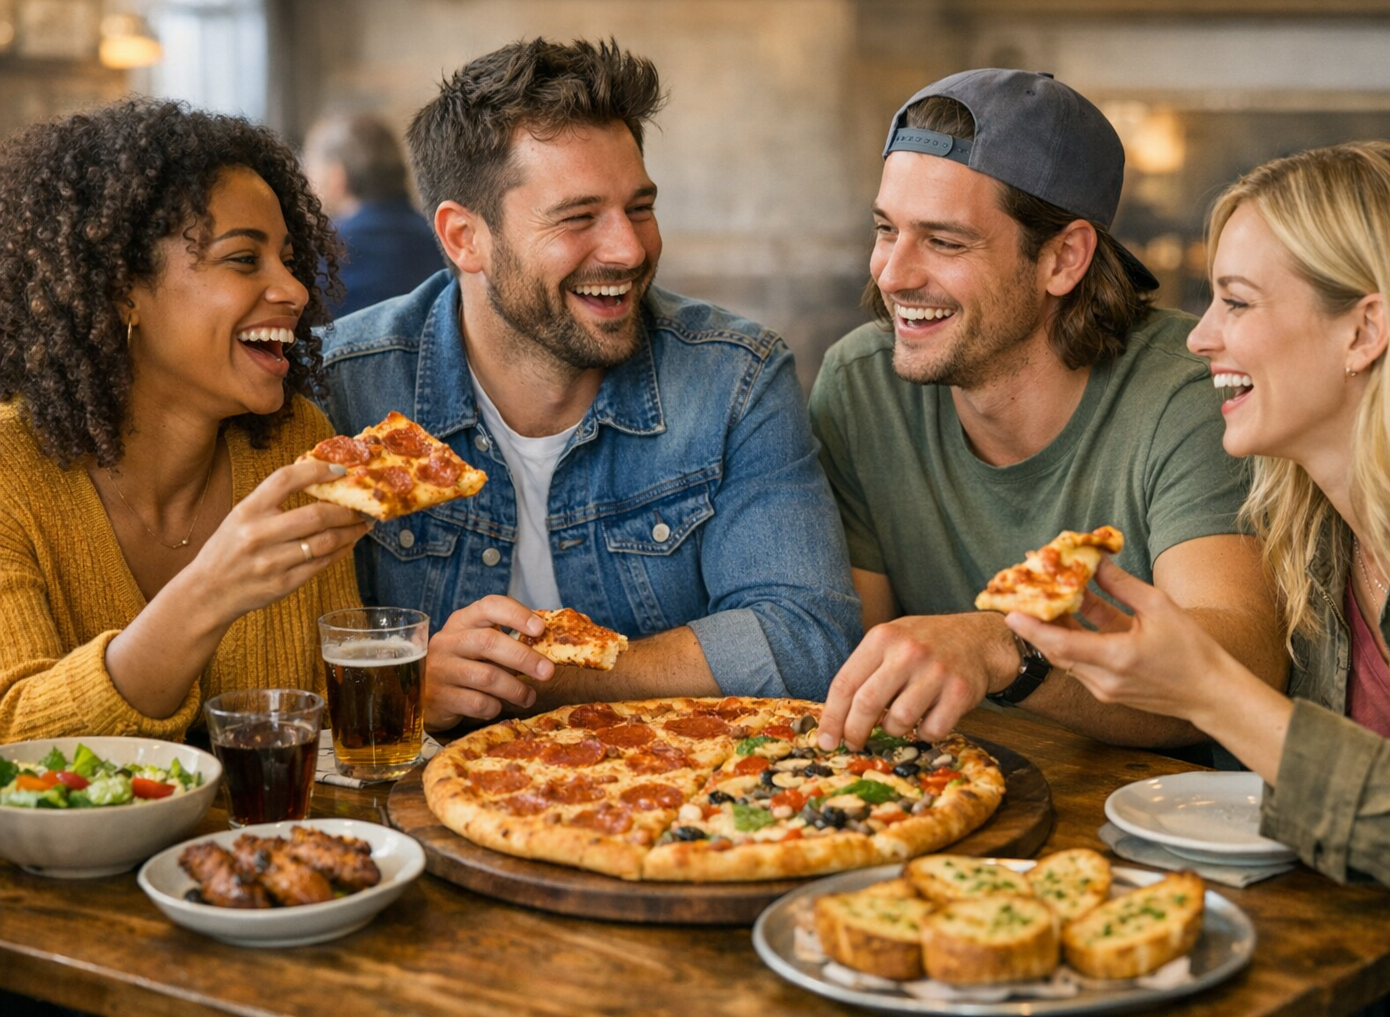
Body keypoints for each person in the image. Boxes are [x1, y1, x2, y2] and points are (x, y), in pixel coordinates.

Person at [1008, 142, 1390, 1017]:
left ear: (1365, 330)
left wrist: (1210, 688)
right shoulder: (1315, 522)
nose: (1200, 334)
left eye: (1236, 302)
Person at [320, 38, 862, 731]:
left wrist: (559, 677)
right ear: (464, 238)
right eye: (579, 218)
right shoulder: (345, 388)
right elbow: (271, 673)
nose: (630, 250)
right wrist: (403, 686)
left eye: (639, 207)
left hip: (670, 808)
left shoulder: (736, 376)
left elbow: (806, 637)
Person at [808, 70, 1288, 752]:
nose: (891, 273)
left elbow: (1244, 664)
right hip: (941, 802)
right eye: (887, 229)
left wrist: (1008, 651)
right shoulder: (861, 385)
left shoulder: (1187, 394)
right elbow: (855, 663)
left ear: (1064, 259)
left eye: (944, 242)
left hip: (1155, 825)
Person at [0, 99, 370, 742]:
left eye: (287, 258)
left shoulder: (294, 445)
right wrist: (209, 592)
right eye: (243, 259)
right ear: (123, 290)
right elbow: (15, 739)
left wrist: (423, 680)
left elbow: (341, 720)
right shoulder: (11, 472)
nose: (295, 290)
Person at [303, 113, 443, 317]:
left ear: (336, 177)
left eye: (311, 171)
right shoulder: (442, 239)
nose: (307, 183)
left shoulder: (322, 251)